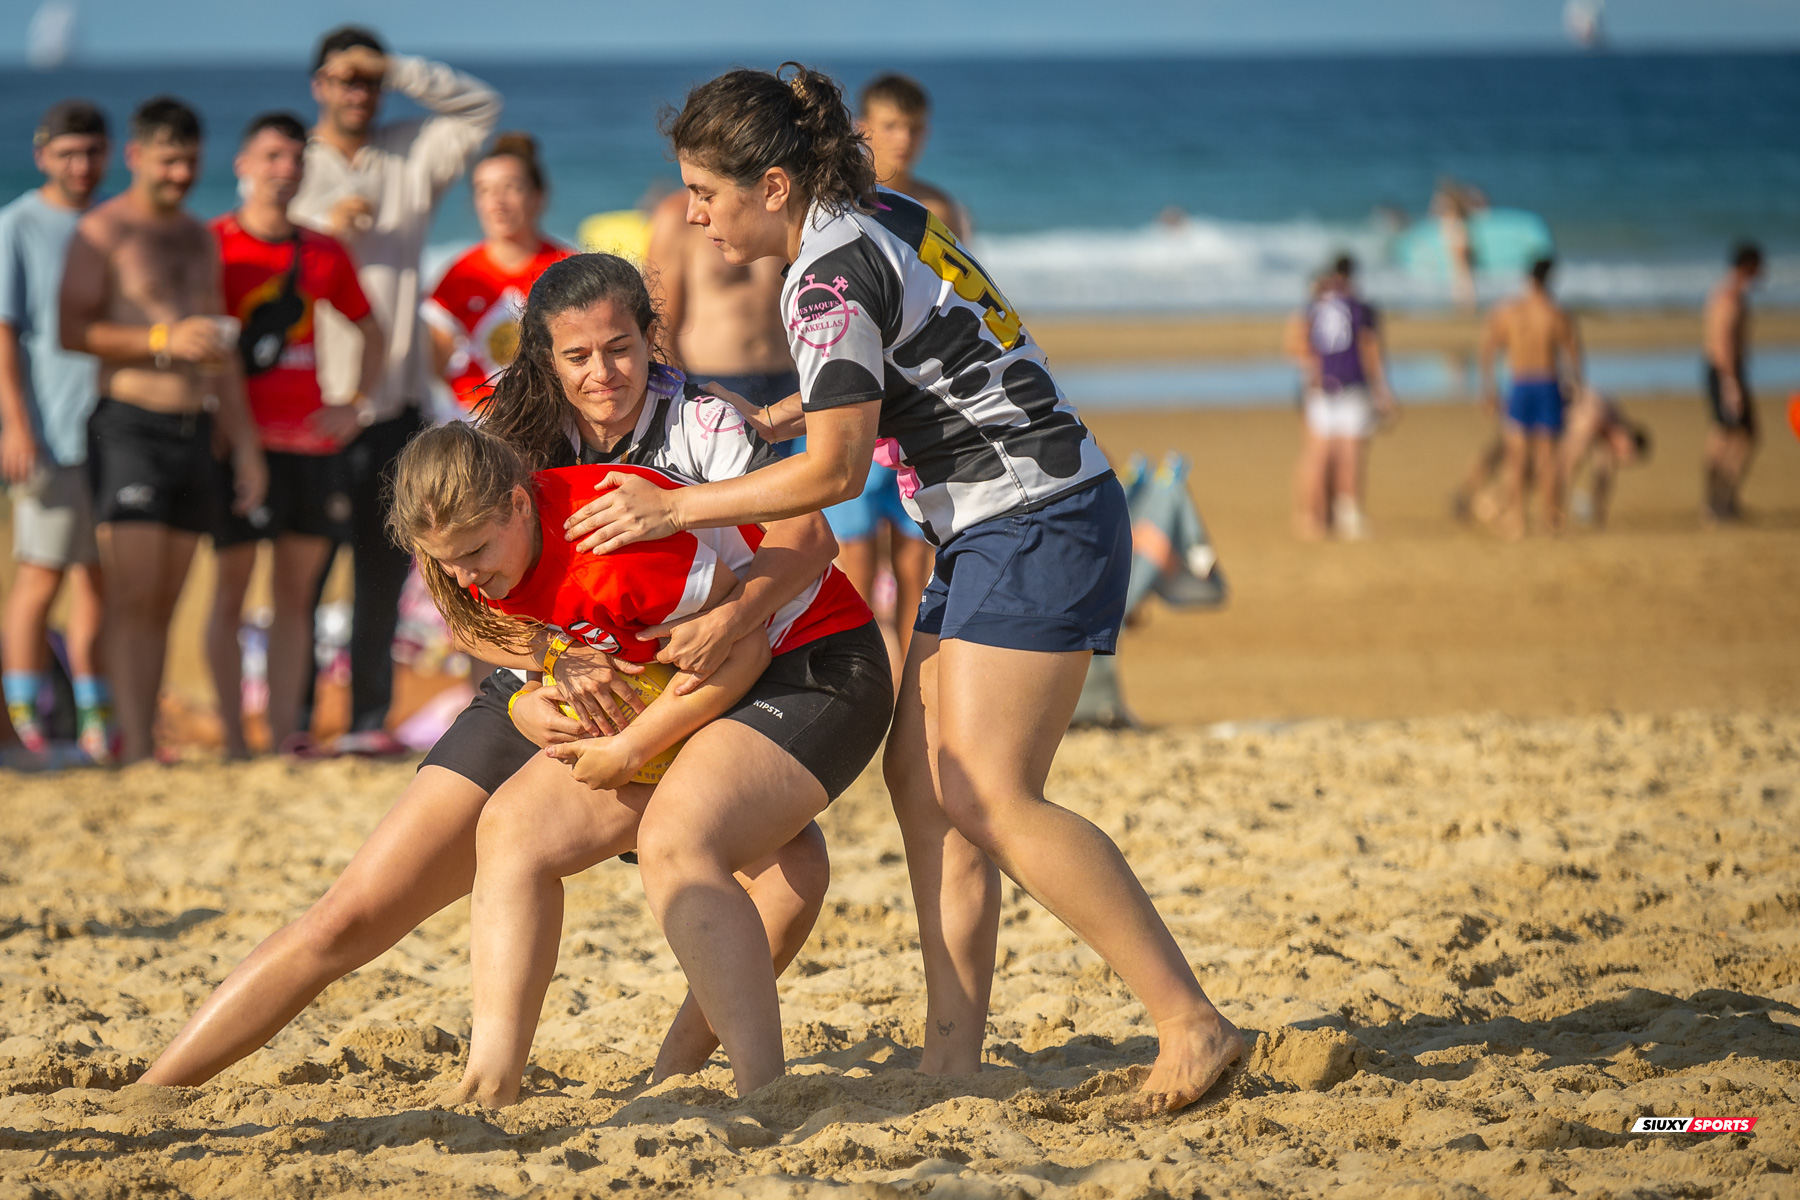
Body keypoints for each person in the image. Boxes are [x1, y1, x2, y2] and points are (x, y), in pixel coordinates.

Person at [572, 64, 1244, 1116]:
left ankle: (1189, 1021)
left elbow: (838, 477)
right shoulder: (877, 211)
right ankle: (951, 1060)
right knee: (926, 787)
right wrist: (797, 409)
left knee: (989, 794)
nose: (691, 214)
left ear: (774, 186)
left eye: (705, 191)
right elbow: (931, 351)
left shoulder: (821, 279)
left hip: (1035, 517)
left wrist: (672, 509)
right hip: (1006, 516)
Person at [139, 252, 857, 1092]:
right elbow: (459, 600)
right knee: (354, 913)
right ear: (544, 356)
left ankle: (666, 1081)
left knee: (792, 872)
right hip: (545, 680)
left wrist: (727, 623)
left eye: (619, 349)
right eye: (577, 355)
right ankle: (155, 1092)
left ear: (649, 338)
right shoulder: (508, 438)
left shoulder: (701, 424)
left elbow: (805, 540)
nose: (602, 374)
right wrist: (540, 673)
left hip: (676, 683)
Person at [396, 424, 886, 1107]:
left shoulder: (614, 553)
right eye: (447, 562)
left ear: (518, 504)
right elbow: (477, 624)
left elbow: (741, 649)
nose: (465, 575)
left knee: (680, 840)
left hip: (810, 659)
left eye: (475, 553)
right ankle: (491, 1083)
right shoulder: (470, 542)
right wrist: (538, 679)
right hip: (692, 673)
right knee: (510, 830)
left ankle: (764, 1097)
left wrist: (630, 750)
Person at [289, 25, 501, 753]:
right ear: (318, 85)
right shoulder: (296, 164)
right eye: (345, 78)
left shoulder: (407, 152)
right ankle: (295, 723)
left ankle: (366, 724)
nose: (360, 92)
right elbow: (262, 249)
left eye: (369, 80)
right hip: (317, 402)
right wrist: (321, 228)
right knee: (306, 573)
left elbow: (480, 108)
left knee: (382, 573)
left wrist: (396, 66)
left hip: (398, 400)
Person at [59, 96, 267, 766]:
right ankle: (131, 746)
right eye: (168, 161)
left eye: (190, 161)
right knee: (134, 594)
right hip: (129, 427)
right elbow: (71, 329)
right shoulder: (103, 231)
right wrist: (160, 339)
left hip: (193, 429)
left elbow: (219, 350)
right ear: (137, 155)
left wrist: (246, 445)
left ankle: (146, 741)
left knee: (168, 601)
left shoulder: (199, 237)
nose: (181, 174)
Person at [206, 112, 386, 758]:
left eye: (295, 160)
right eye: (272, 157)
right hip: (238, 446)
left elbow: (371, 330)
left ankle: (283, 737)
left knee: (295, 599)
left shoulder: (322, 250)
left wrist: (354, 406)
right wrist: (234, 438)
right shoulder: (214, 244)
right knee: (230, 594)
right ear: (243, 165)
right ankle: (235, 740)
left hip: (311, 447)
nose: (285, 170)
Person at [1, 100, 111, 761]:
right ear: (42, 155)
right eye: (68, 152)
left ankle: (95, 721)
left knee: (98, 579)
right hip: (47, 432)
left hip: (111, 432)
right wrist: (17, 428)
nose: (81, 164)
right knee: (39, 574)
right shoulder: (17, 224)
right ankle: (24, 721)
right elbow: (4, 333)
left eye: (92, 151)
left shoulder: (112, 224)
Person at [423, 132, 571, 415]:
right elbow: (436, 362)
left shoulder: (568, 269)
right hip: (474, 421)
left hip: (549, 418)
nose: (497, 202)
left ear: (538, 196)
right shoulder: (460, 273)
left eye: (511, 187)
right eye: (485, 190)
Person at [1287, 255, 1396, 540]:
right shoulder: (1360, 309)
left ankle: (1312, 516)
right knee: (1350, 453)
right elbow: (1369, 347)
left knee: (1317, 454)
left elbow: (1298, 346)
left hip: (1319, 387)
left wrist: (1312, 373)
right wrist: (1382, 390)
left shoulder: (1314, 308)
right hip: (1352, 385)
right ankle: (1347, 514)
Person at [1478, 256, 1582, 538]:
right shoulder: (1556, 313)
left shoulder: (1509, 311)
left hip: (1520, 384)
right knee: (1547, 458)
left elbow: (1489, 349)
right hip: (1547, 384)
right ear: (1550, 280)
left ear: (1528, 279)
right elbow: (1573, 353)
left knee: (1516, 457)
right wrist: (1576, 385)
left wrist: (1489, 388)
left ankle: (1517, 519)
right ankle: (1549, 518)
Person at [1701, 242, 1763, 524]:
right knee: (1732, 435)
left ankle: (1722, 500)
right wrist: (1731, 382)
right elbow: (1723, 341)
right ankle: (1718, 501)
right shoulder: (1729, 298)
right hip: (1725, 371)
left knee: (1733, 433)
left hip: (1723, 371)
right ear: (1748, 267)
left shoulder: (1725, 293)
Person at [1560, 384, 1650, 529]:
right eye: (1625, 452)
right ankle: (1556, 511)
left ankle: (1593, 516)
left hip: (1577, 409)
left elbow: (1604, 472)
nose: (1618, 455)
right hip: (1564, 404)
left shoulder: (1614, 423)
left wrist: (1599, 513)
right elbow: (1570, 464)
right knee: (1565, 463)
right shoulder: (1596, 418)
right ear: (1629, 441)